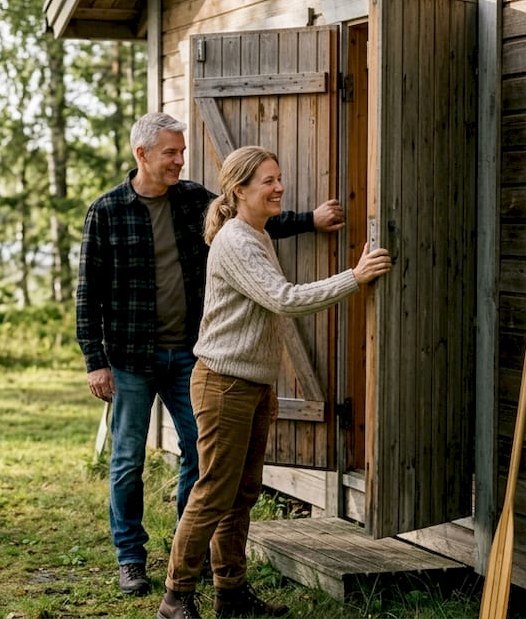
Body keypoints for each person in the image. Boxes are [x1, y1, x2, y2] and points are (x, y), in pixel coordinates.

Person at [76, 113, 345, 597]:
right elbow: (87, 292)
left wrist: (310, 220)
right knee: (127, 460)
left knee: (201, 461)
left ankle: (190, 554)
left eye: (181, 151)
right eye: (171, 152)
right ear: (142, 154)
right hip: (132, 357)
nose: (180, 160)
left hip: (189, 353)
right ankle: (131, 559)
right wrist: (95, 361)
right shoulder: (108, 211)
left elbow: (253, 215)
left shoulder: (192, 199)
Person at [155, 146, 392, 619]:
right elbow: (283, 299)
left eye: (279, 178)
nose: (279, 187)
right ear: (239, 190)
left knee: (241, 494)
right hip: (223, 384)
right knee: (213, 493)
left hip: (249, 384)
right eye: (268, 180)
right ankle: (175, 599)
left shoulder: (258, 234)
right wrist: (355, 277)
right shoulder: (237, 241)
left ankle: (231, 595)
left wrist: (266, 385)